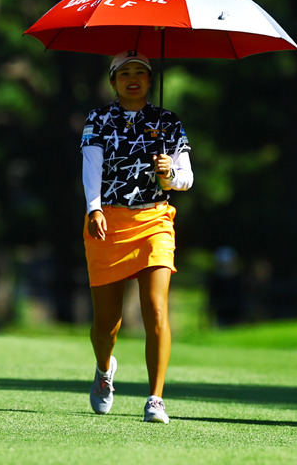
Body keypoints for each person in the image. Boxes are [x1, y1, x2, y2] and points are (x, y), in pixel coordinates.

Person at [80, 51, 193, 424]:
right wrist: (93, 206)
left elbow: (185, 179)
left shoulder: (168, 122)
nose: (133, 78)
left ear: (149, 79)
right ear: (113, 82)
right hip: (107, 221)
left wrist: (168, 174)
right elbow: (91, 166)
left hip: (154, 220)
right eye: (124, 73)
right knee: (106, 323)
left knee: (156, 310)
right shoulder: (99, 118)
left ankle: (155, 398)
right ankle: (103, 368)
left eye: (140, 72)